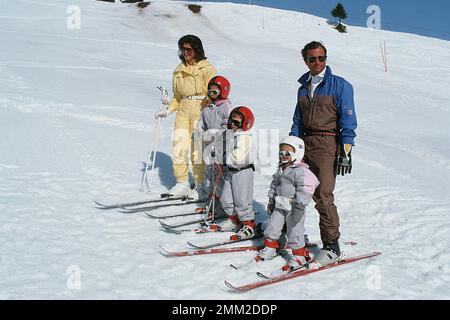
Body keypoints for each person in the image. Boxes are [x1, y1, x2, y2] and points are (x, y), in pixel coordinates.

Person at [289, 41, 357, 266]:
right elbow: (297, 120)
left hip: (327, 143)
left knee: (323, 195)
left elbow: (348, 121)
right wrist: (291, 146)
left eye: (321, 58)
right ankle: (294, 235)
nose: (317, 63)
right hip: (305, 143)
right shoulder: (303, 87)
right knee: (295, 188)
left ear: (326, 59)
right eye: (312, 59)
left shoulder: (340, 85)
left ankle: (332, 245)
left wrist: (346, 150)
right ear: (305, 61)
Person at [155, 35, 217, 197]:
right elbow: (177, 96)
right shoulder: (178, 70)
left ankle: (200, 184)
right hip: (183, 109)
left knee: (197, 148)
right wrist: (167, 110)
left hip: (201, 108)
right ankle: (182, 182)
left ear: (196, 50)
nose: (185, 52)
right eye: (182, 49)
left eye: (189, 49)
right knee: (179, 145)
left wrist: (212, 109)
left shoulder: (206, 68)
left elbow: (214, 92)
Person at [256, 136, 319, 272]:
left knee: (294, 231)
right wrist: (272, 199)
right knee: (272, 226)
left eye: (287, 153)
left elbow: (307, 187)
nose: (283, 156)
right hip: (280, 204)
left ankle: (300, 255)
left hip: (294, 207)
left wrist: (300, 203)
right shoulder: (281, 169)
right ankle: (271, 247)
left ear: (297, 153)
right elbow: (275, 184)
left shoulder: (301, 171)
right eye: (281, 153)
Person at [212, 106, 256, 239]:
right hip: (230, 171)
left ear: (245, 124)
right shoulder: (231, 133)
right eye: (231, 120)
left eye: (236, 123)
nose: (232, 124)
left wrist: (223, 157)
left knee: (242, 200)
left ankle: (249, 224)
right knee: (226, 199)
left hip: (242, 172)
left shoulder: (245, 137)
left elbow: (237, 158)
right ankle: (233, 220)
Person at [192, 76, 233, 209]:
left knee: (219, 176)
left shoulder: (226, 107)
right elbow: (201, 125)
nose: (212, 94)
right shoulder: (207, 109)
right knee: (209, 174)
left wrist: (219, 139)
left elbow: (229, 127)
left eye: (215, 92)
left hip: (222, 147)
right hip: (209, 147)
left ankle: (221, 204)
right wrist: (199, 131)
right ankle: (211, 200)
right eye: (210, 92)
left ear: (223, 92)